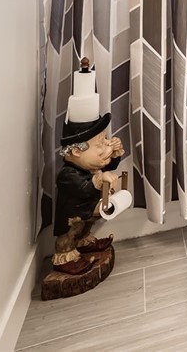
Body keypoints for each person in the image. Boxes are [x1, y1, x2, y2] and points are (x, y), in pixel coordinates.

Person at [52, 114, 124, 275]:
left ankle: (84, 241)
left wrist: (115, 153)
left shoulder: (88, 166)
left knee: (86, 226)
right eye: (100, 144)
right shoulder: (67, 175)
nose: (107, 146)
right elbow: (84, 189)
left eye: (106, 139)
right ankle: (65, 257)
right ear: (77, 151)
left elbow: (108, 164)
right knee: (68, 237)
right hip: (72, 217)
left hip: (88, 210)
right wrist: (99, 179)